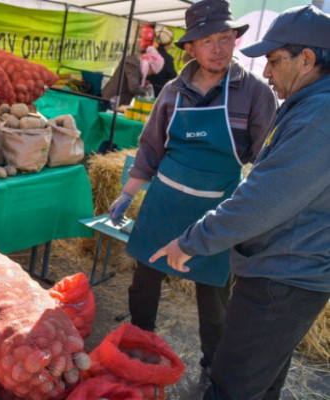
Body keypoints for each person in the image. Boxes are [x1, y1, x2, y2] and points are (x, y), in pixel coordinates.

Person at [149, 5, 330, 399]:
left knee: (230, 386)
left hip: (283, 278)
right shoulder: (307, 105)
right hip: (285, 268)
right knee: (260, 386)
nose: (266, 71)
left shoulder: (319, 115)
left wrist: (192, 241)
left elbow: (263, 198)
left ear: (307, 59)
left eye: (274, 60)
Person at [108, 0, 278, 379]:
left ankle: (212, 367)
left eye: (225, 38)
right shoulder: (173, 91)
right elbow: (151, 148)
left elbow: (267, 160)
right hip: (165, 202)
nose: (218, 49)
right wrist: (127, 193)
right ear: (190, 48)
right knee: (143, 285)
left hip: (216, 210)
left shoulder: (255, 94)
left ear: (235, 40)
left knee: (213, 297)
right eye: (207, 41)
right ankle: (140, 348)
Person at [149, 27, 178, 97]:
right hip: (158, 94)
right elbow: (173, 76)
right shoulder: (167, 58)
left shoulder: (149, 54)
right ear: (168, 44)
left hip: (145, 92)